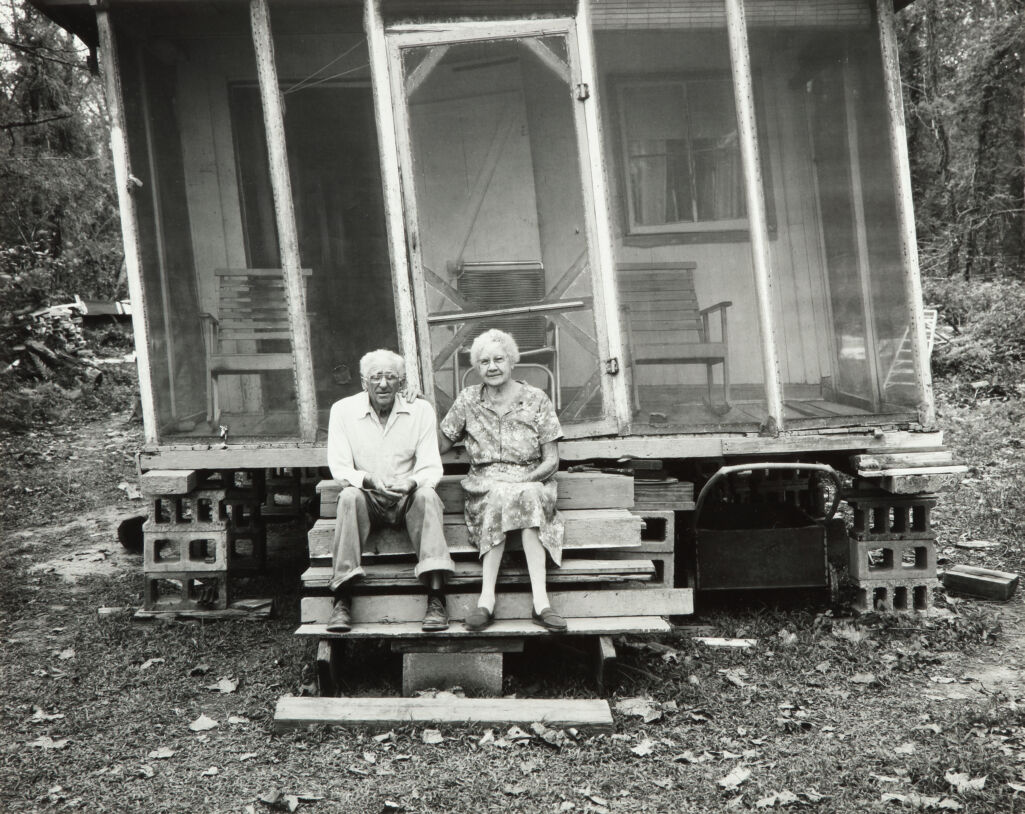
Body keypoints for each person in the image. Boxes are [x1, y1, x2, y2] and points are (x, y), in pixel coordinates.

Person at [439, 328, 567, 632]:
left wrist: (526, 478)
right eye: (484, 362)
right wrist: (412, 412)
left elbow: (551, 460)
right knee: (499, 494)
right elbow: (439, 445)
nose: (492, 367)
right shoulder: (468, 400)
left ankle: (541, 603)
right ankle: (486, 601)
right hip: (486, 485)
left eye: (498, 359)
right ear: (476, 367)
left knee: (528, 495)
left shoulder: (536, 399)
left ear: (512, 362)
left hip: (530, 479)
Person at [325, 349, 454, 632]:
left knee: (428, 495)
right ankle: (342, 600)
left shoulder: (420, 411)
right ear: (363, 382)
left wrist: (411, 483)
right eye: (376, 377)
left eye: (390, 377)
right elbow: (340, 467)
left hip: (406, 498)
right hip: (367, 497)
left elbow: (431, 467)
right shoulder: (343, 411)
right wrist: (368, 480)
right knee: (348, 496)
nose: (383, 384)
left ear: (401, 382)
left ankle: (436, 599)